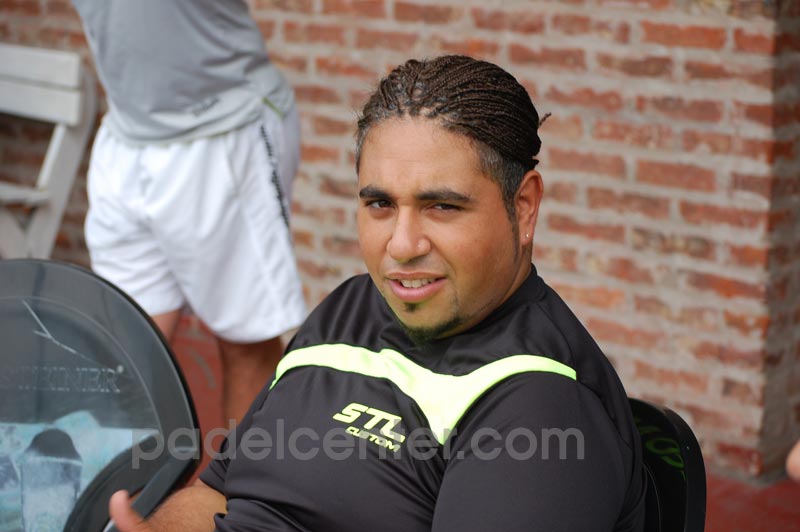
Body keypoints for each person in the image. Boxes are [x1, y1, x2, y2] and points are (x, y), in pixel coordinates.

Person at [109, 55, 646, 531]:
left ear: (523, 207)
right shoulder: (350, 309)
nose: (402, 245)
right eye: (381, 205)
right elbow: (217, 494)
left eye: (442, 206)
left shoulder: (543, 404)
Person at [70, 0, 307, 425]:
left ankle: (248, 472)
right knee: (126, 347)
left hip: (223, 129)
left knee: (245, 339)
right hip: (126, 136)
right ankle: (145, 472)